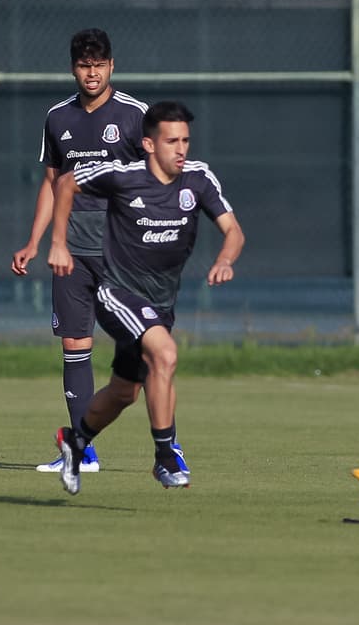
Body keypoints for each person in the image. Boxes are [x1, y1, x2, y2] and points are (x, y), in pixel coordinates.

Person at [47, 101, 244, 494]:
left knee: (124, 392)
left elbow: (233, 231)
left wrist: (225, 259)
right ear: (149, 144)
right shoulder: (123, 176)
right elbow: (65, 183)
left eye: (185, 140)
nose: (181, 149)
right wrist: (58, 244)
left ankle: (76, 441)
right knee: (165, 354)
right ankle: (165, 458)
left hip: (161, 303)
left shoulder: (199, 180)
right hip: (117, 293)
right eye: (172, 141)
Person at [11, 28, 147, 474]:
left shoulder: (135, 115)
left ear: (112, 66)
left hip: (122, 248)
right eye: (85, 65)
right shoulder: (57, 118)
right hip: (69, 248)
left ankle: (170, 444)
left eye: (100, 65)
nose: (92, 73)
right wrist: (34, 241)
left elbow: (156, 182)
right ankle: (82, 452)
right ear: (74, 68)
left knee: (146, 348)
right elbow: (52, 185)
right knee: (75, 343)